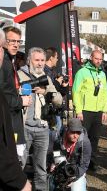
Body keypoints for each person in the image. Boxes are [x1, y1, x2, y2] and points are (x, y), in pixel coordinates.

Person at [18, 47, 63, 191]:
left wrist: (46, 92)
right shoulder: (19, 75)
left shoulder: (47, 78)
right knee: (19, 164)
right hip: (23, 127)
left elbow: (59, 100)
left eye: (42, 60)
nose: (40, 63)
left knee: (41, 168)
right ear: (29, 60)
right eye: (37, 60)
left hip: (43, 129)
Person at [0, 27, 32, 191]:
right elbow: (3, 97)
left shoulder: (9, 62)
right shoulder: (4, 63)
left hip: (13, 121)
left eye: (18, 41)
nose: (15, 45)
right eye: (11, 41)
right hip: (8, 124)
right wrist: (21, 100)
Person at [72, 50, 107, 171]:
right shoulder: (82, 72)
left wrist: (105, 110)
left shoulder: (102, 74)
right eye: (96, 58)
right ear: (91, 57)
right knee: (82, 137)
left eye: (100, 59)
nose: (98, 61)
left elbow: (104, 93)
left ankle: (92, 162)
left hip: (98, 111)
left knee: (95, 138)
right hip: (85, 110)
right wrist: (78, 110)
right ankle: (79, 161)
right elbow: (76, 91)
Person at [49, 118, 91, 191]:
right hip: (60, 166)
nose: (75, 135)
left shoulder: (85, 143)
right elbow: (54, 154)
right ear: (67, 130)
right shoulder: (58, 137)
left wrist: (74, 177)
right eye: (73, 132)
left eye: (78, 132)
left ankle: (82, 181)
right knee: (50, 185)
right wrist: (53, 164)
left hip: (76, 171)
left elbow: (84, 165)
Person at [44, 47, 68, 135]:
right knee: (52, 135)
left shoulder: (53, 71)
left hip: (56, 109)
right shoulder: (44, 72)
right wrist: (57, 83)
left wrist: (64, 87)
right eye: (57, 57)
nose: (58, 59)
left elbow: (59, 92)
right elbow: (48, 92)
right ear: (51, 58)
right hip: (48, 110)